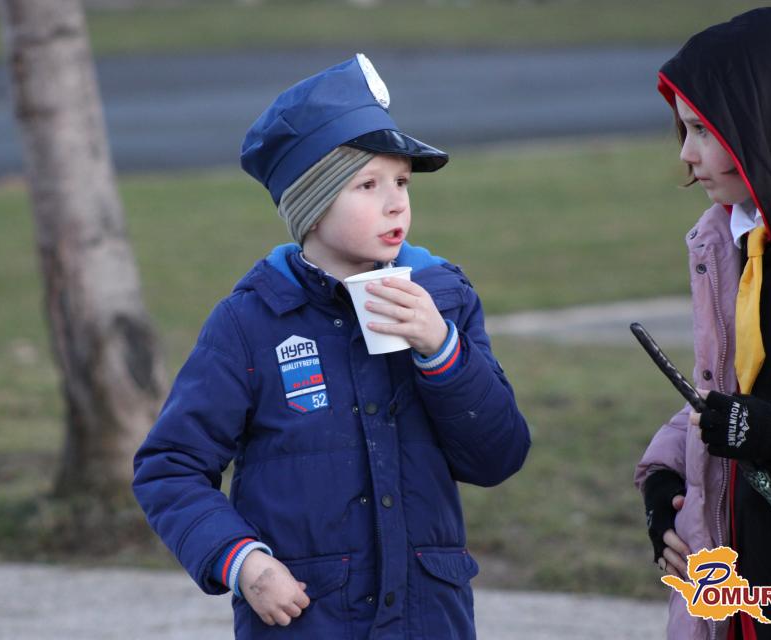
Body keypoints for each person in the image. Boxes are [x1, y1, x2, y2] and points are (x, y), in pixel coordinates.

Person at [133, 54, 531, 639]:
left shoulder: (442, 298)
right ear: (312, 207)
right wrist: (244, 562)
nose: (396, 202)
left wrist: (441, 351)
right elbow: (170, 468)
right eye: (367, 185)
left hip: (428, 621)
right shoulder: (250, 322)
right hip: (307, 620)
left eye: (402, 181)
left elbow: (497, 458)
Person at [634, 8, 771, 640]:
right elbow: (727, 395)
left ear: (765, 125)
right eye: (683, 129)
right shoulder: (734, 242)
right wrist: (666, 482)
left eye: (702, 130)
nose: (686, 155)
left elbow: (763, 419)